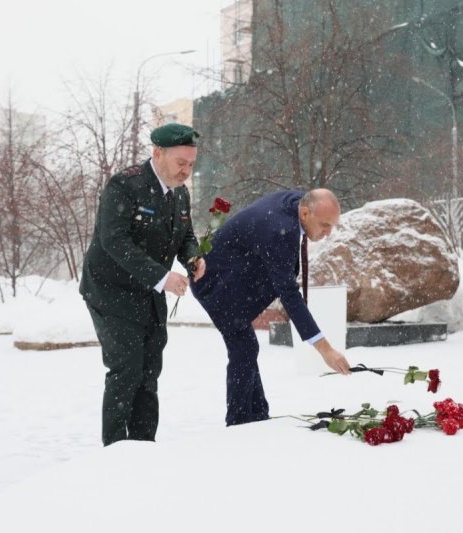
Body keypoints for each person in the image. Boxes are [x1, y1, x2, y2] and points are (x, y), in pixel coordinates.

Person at [80, 123, 206, 446]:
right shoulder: (126, 186)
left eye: (191, 164)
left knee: (149, 373)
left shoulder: (180, 194)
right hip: (110, 291)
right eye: (181, 163)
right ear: (158, 153)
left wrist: (193, 257)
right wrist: (162, 278)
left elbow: (185, 235)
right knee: (127, 369)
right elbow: (113, 240)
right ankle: (115, 451)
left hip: (147, 295)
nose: (186, 171)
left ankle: (143, 448)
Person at [191, 189, 351, 426]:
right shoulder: (279, 230)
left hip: (233, 273)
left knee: (246, 348)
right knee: (243, 349)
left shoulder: (297, 203)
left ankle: (256, 416)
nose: (328, 233)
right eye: (325, 225)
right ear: (305, 213)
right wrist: (325, 348)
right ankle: (239, 423)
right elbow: (289, 294)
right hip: (215, 284)